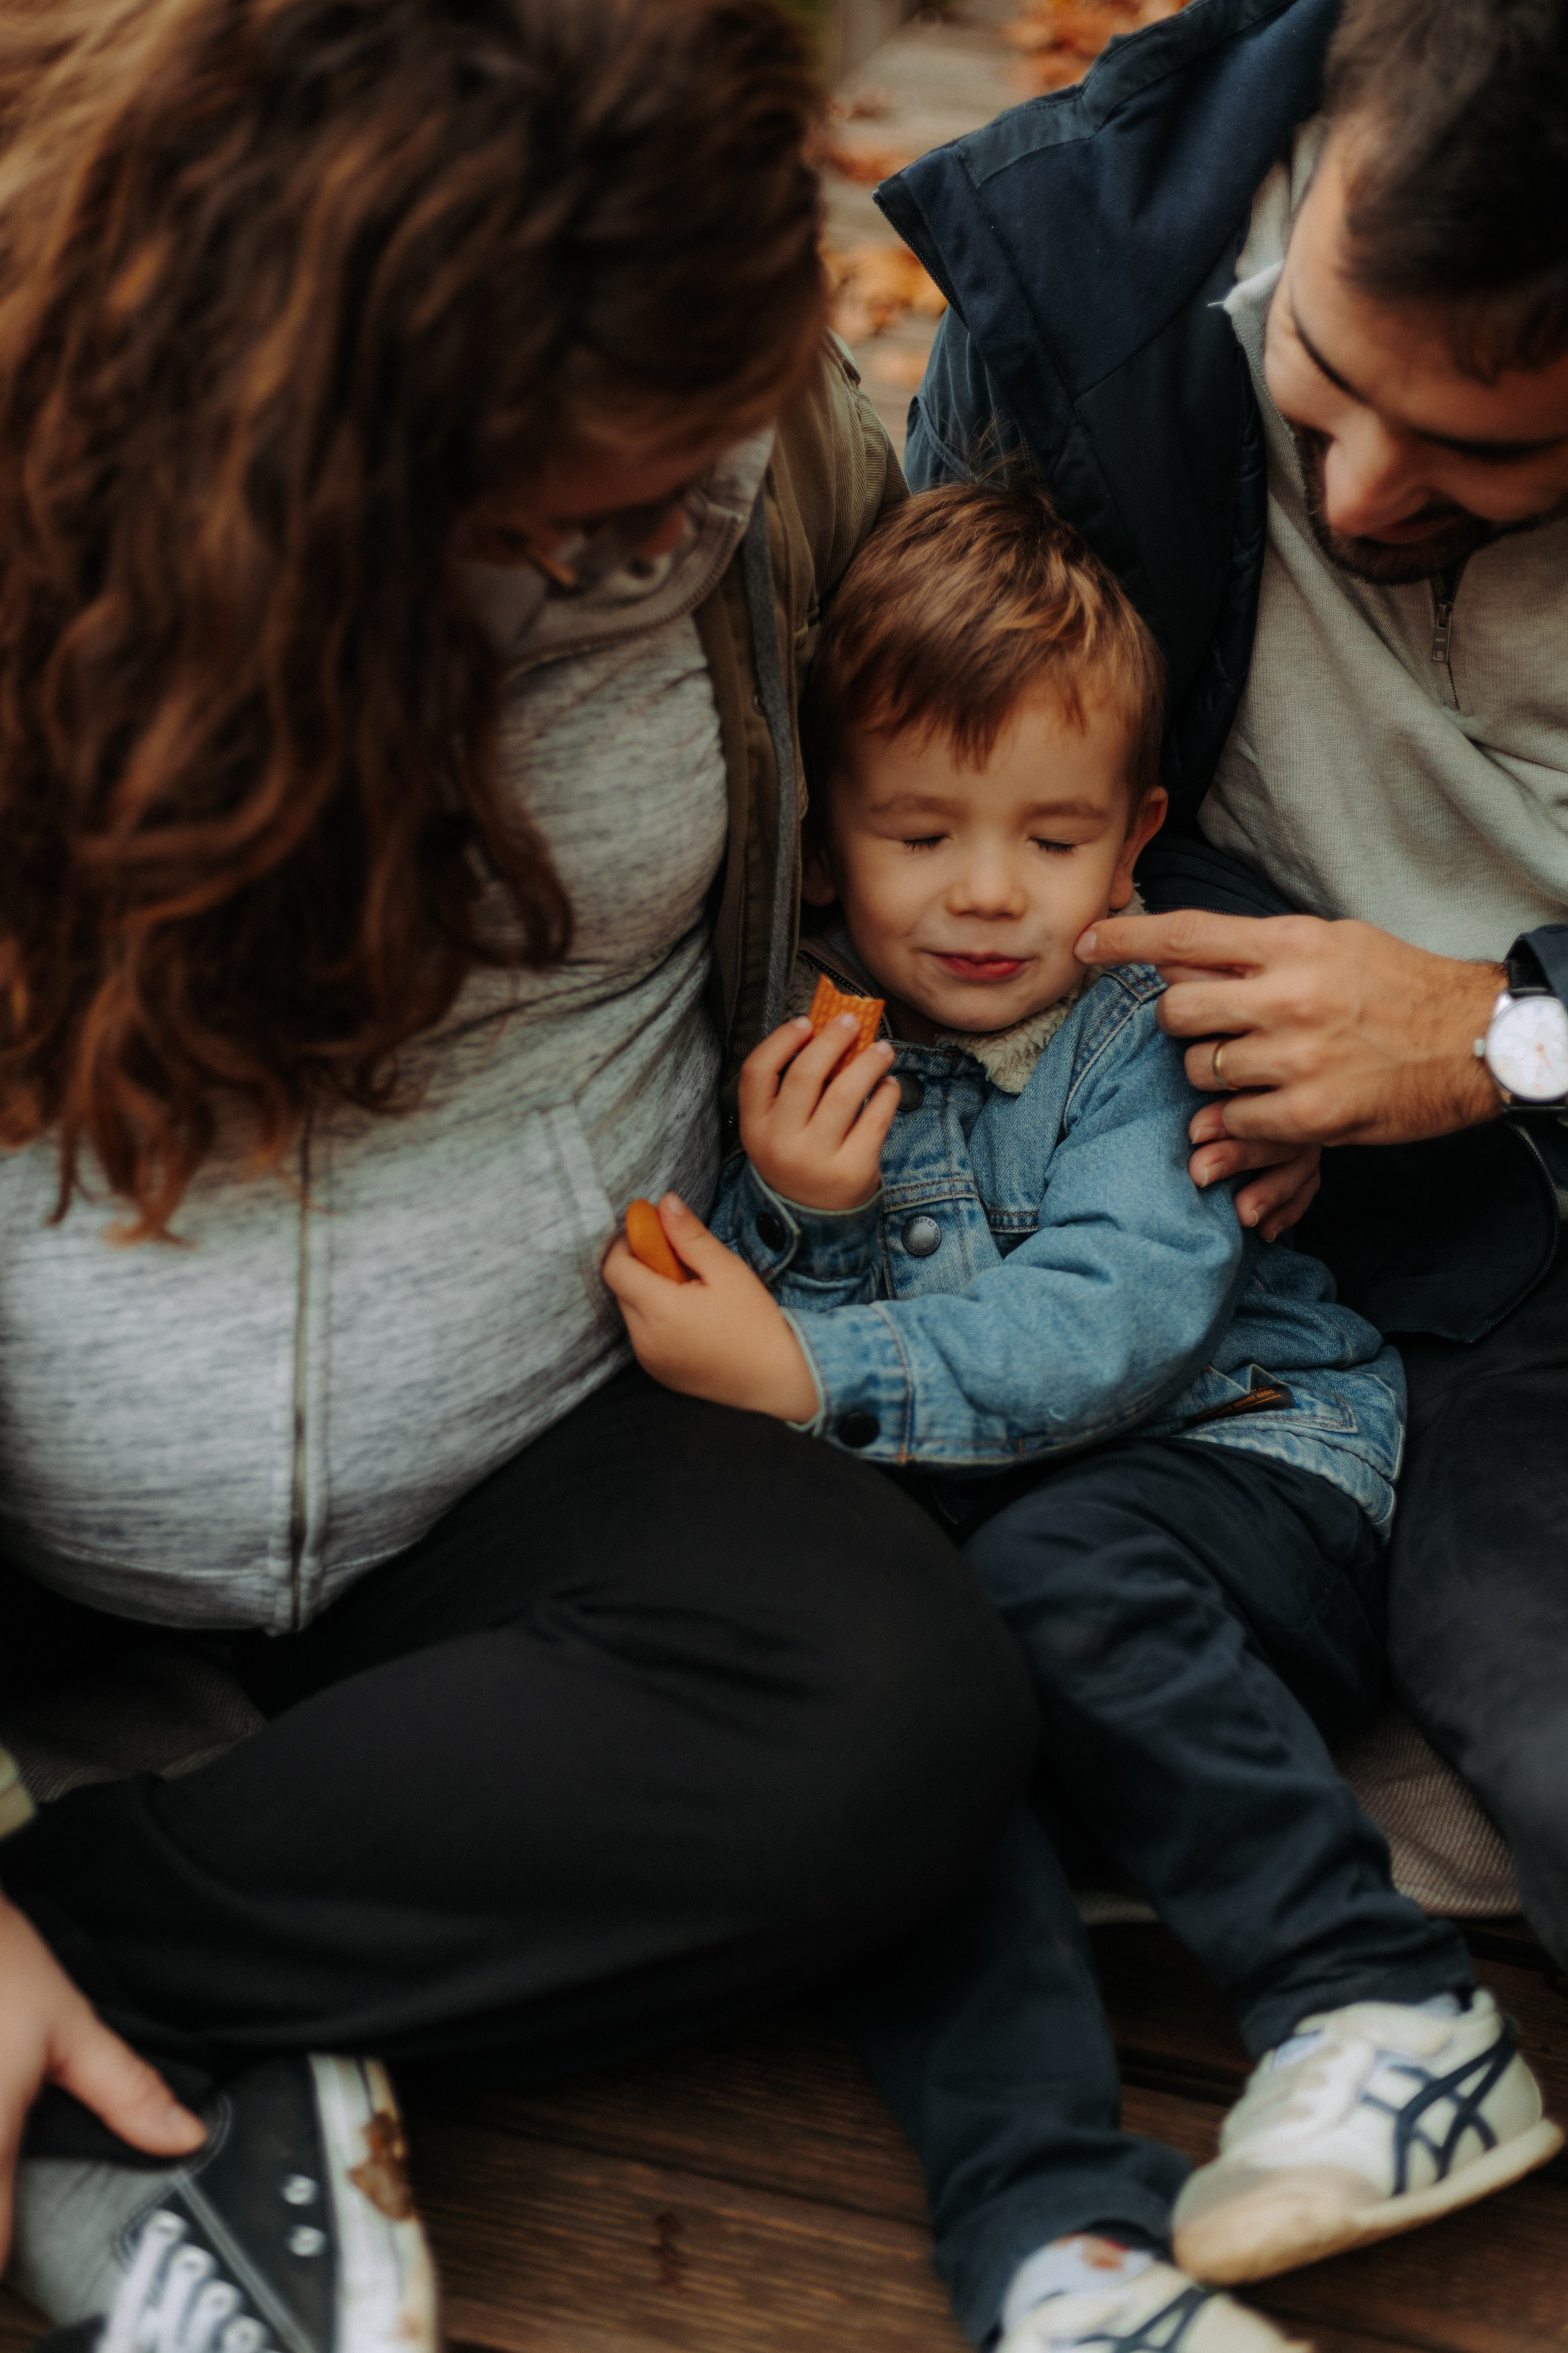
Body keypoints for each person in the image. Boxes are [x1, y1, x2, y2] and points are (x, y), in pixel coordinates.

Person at [0, 6, 1042, 2351]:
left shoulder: (729, 434)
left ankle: (106, 1956)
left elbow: (949, 761)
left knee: (903, 1719)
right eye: (582, 515)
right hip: (37, 1450)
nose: (671, 541)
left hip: (546, 1409)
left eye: (704, 466)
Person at [605, 481, 1560, 2353]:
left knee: (1053, 1562)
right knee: (908, 1778)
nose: (984, 890)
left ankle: (1379, 1997)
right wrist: (791, 1215)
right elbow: (730, 1326)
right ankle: (1058, 2249)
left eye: (1049, 836)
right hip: (1026, 1582)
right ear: (820, 853)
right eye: (920, 830)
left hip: (1256, 1466)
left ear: (1130, 848)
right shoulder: (814, 1051)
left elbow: (1112, 1323)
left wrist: (821, 1367)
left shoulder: (1146, 1031)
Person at [876, 0, 1568, 1970]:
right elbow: (985, 778)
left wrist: (1502, 1030)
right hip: (1413, 1288)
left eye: (1487, 452)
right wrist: (1174, 1052)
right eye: (1325, 380)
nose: (1356, 494)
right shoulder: (1091, 271)